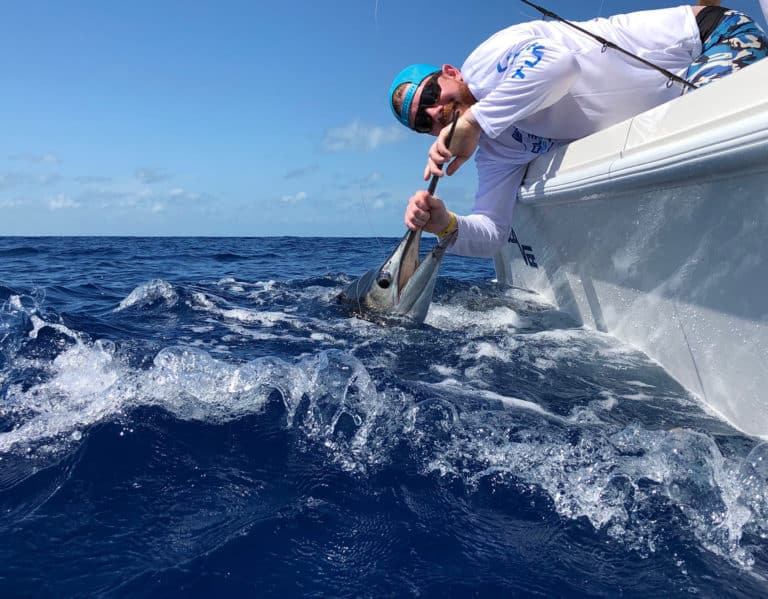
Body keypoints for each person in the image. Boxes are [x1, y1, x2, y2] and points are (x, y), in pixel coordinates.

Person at [390, 3, 768, 258]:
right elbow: (493, 231)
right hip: (677, 105)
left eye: (432, 94)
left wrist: (473, 122)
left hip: (712, 37)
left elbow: (558, 65)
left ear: (451, 72)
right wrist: (445, 224)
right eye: (425, 120)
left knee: (703, 124)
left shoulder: (487, 61)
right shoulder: (496, 149)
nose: (436, 112)